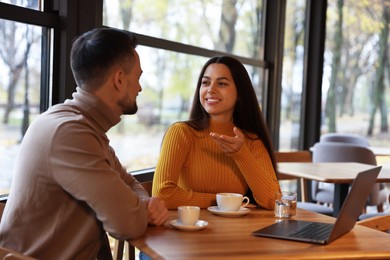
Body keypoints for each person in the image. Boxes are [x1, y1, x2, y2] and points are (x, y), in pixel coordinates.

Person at [0, 27, 168, 259]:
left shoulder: (79, 124)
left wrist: (143, 204)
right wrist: (143, 209)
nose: (139, 87)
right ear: (119, 80)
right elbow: (126, 223)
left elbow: (130, 183)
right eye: (137, 78)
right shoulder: (71, 133)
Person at [152, 56, 281, 210]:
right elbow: (162, 195)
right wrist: (226, 201)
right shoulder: (181, 133)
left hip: (236, 232)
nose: (211, 90)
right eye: (205, 82)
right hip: (189, 230)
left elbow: (273, 200)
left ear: (240, 92)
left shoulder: (251, 141)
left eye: (222, 83)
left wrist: (241, 154)